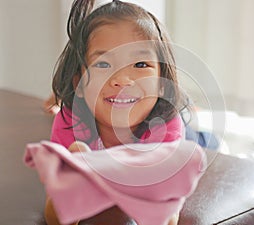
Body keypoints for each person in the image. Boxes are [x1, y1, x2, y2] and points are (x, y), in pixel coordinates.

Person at [46, 0, 197, 224]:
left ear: (162, 84)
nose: (122, 80)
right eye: (104, 64)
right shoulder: (70, 122)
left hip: (187, 137)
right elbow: (53, 215)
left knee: (203, 139)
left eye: (140, 64)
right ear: (79, 83)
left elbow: (168, 214)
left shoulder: (165, 127)